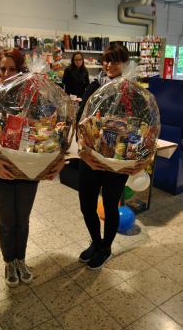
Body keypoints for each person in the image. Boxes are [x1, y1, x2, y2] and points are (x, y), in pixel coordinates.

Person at [0, 48, 65, 287]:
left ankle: (21, 260)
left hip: (28, 169)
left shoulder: (34, 99)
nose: (6, 73)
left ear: (22, 70)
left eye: (12, 68)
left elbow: (51, 131)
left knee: (22, 220)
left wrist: (58, 159)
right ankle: (8, 263)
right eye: (2, 68)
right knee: (6, 222)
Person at [76, 44, 153, 270]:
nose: (109, 65)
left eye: (115, 60)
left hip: (118, 159)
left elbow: (146, 127)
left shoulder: (135, 94)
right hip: (91, 157)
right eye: (106, 60)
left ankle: (106, 249)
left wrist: (143, 157)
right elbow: (81, 122)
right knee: (87, 205)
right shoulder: (94, 88)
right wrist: (82, 151)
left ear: (125, 63)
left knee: (110, 206)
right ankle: (96, 242)